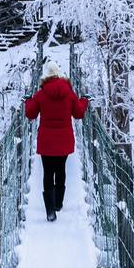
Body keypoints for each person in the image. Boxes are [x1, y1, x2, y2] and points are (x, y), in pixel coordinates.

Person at [24, 60, 87, 221]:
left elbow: (30, 114)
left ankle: (50, 210)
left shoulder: (41, 94)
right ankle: (58, 203)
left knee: (48, 172)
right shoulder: (69, 92)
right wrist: (84, 101)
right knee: (61, 170)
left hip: (46, 141)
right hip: (64, 140)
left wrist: (28, 101)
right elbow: (79, 114)